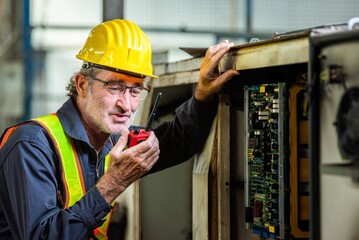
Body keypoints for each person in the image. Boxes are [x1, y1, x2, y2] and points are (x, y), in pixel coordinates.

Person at [0, 19, 239, 239]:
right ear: (82, 84)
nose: (127, 105)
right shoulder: (31, 145)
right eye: (114, 87)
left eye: (136, 90)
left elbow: (179, 140)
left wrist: (203, 93)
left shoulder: (115, 140)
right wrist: (113, 183)